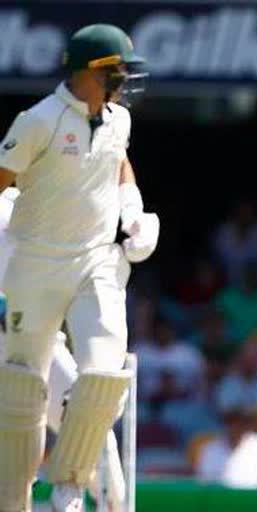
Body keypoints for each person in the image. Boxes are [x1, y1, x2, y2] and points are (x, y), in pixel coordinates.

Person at [0, 24, 158, 511]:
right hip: (33, 273)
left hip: (92, 261)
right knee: (22, 389)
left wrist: (132, 208)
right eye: (115, 72)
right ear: (89, 72)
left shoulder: (117, 120)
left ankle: (66, 491)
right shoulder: (38, 122)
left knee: (103, 377)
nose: (122, 83)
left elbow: (117, 161)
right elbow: (4, 179)